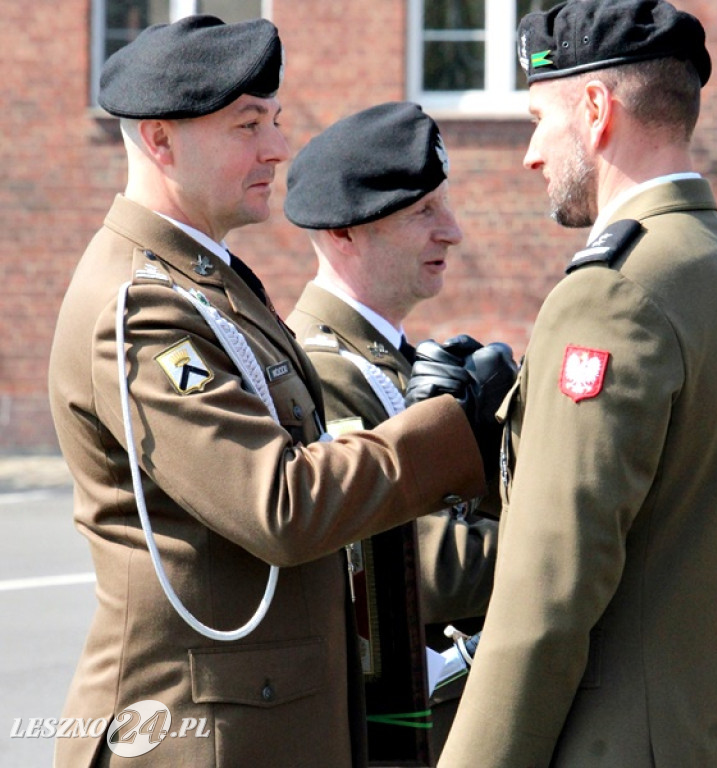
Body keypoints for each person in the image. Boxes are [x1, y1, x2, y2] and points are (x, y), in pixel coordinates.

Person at [47, 16, 510, 767]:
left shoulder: (207, 285)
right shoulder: (139, 308)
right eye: (246, 125)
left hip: (262, 723)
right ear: (160, 141)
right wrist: (451, 432)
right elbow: (279, 505)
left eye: (275, 121)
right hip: (194, 735)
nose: (277, 147)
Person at [417, 0, 717, 764]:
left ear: (595, 109)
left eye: (537, 117)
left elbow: (548, 591)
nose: (531, 152)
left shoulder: (614, 292)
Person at [283, 102, 498, 762]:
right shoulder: (324, 370)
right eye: (423, 213)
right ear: (348, 232)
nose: (452, 231)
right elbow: (397, 566)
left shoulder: (390, 361)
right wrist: (563, 546)